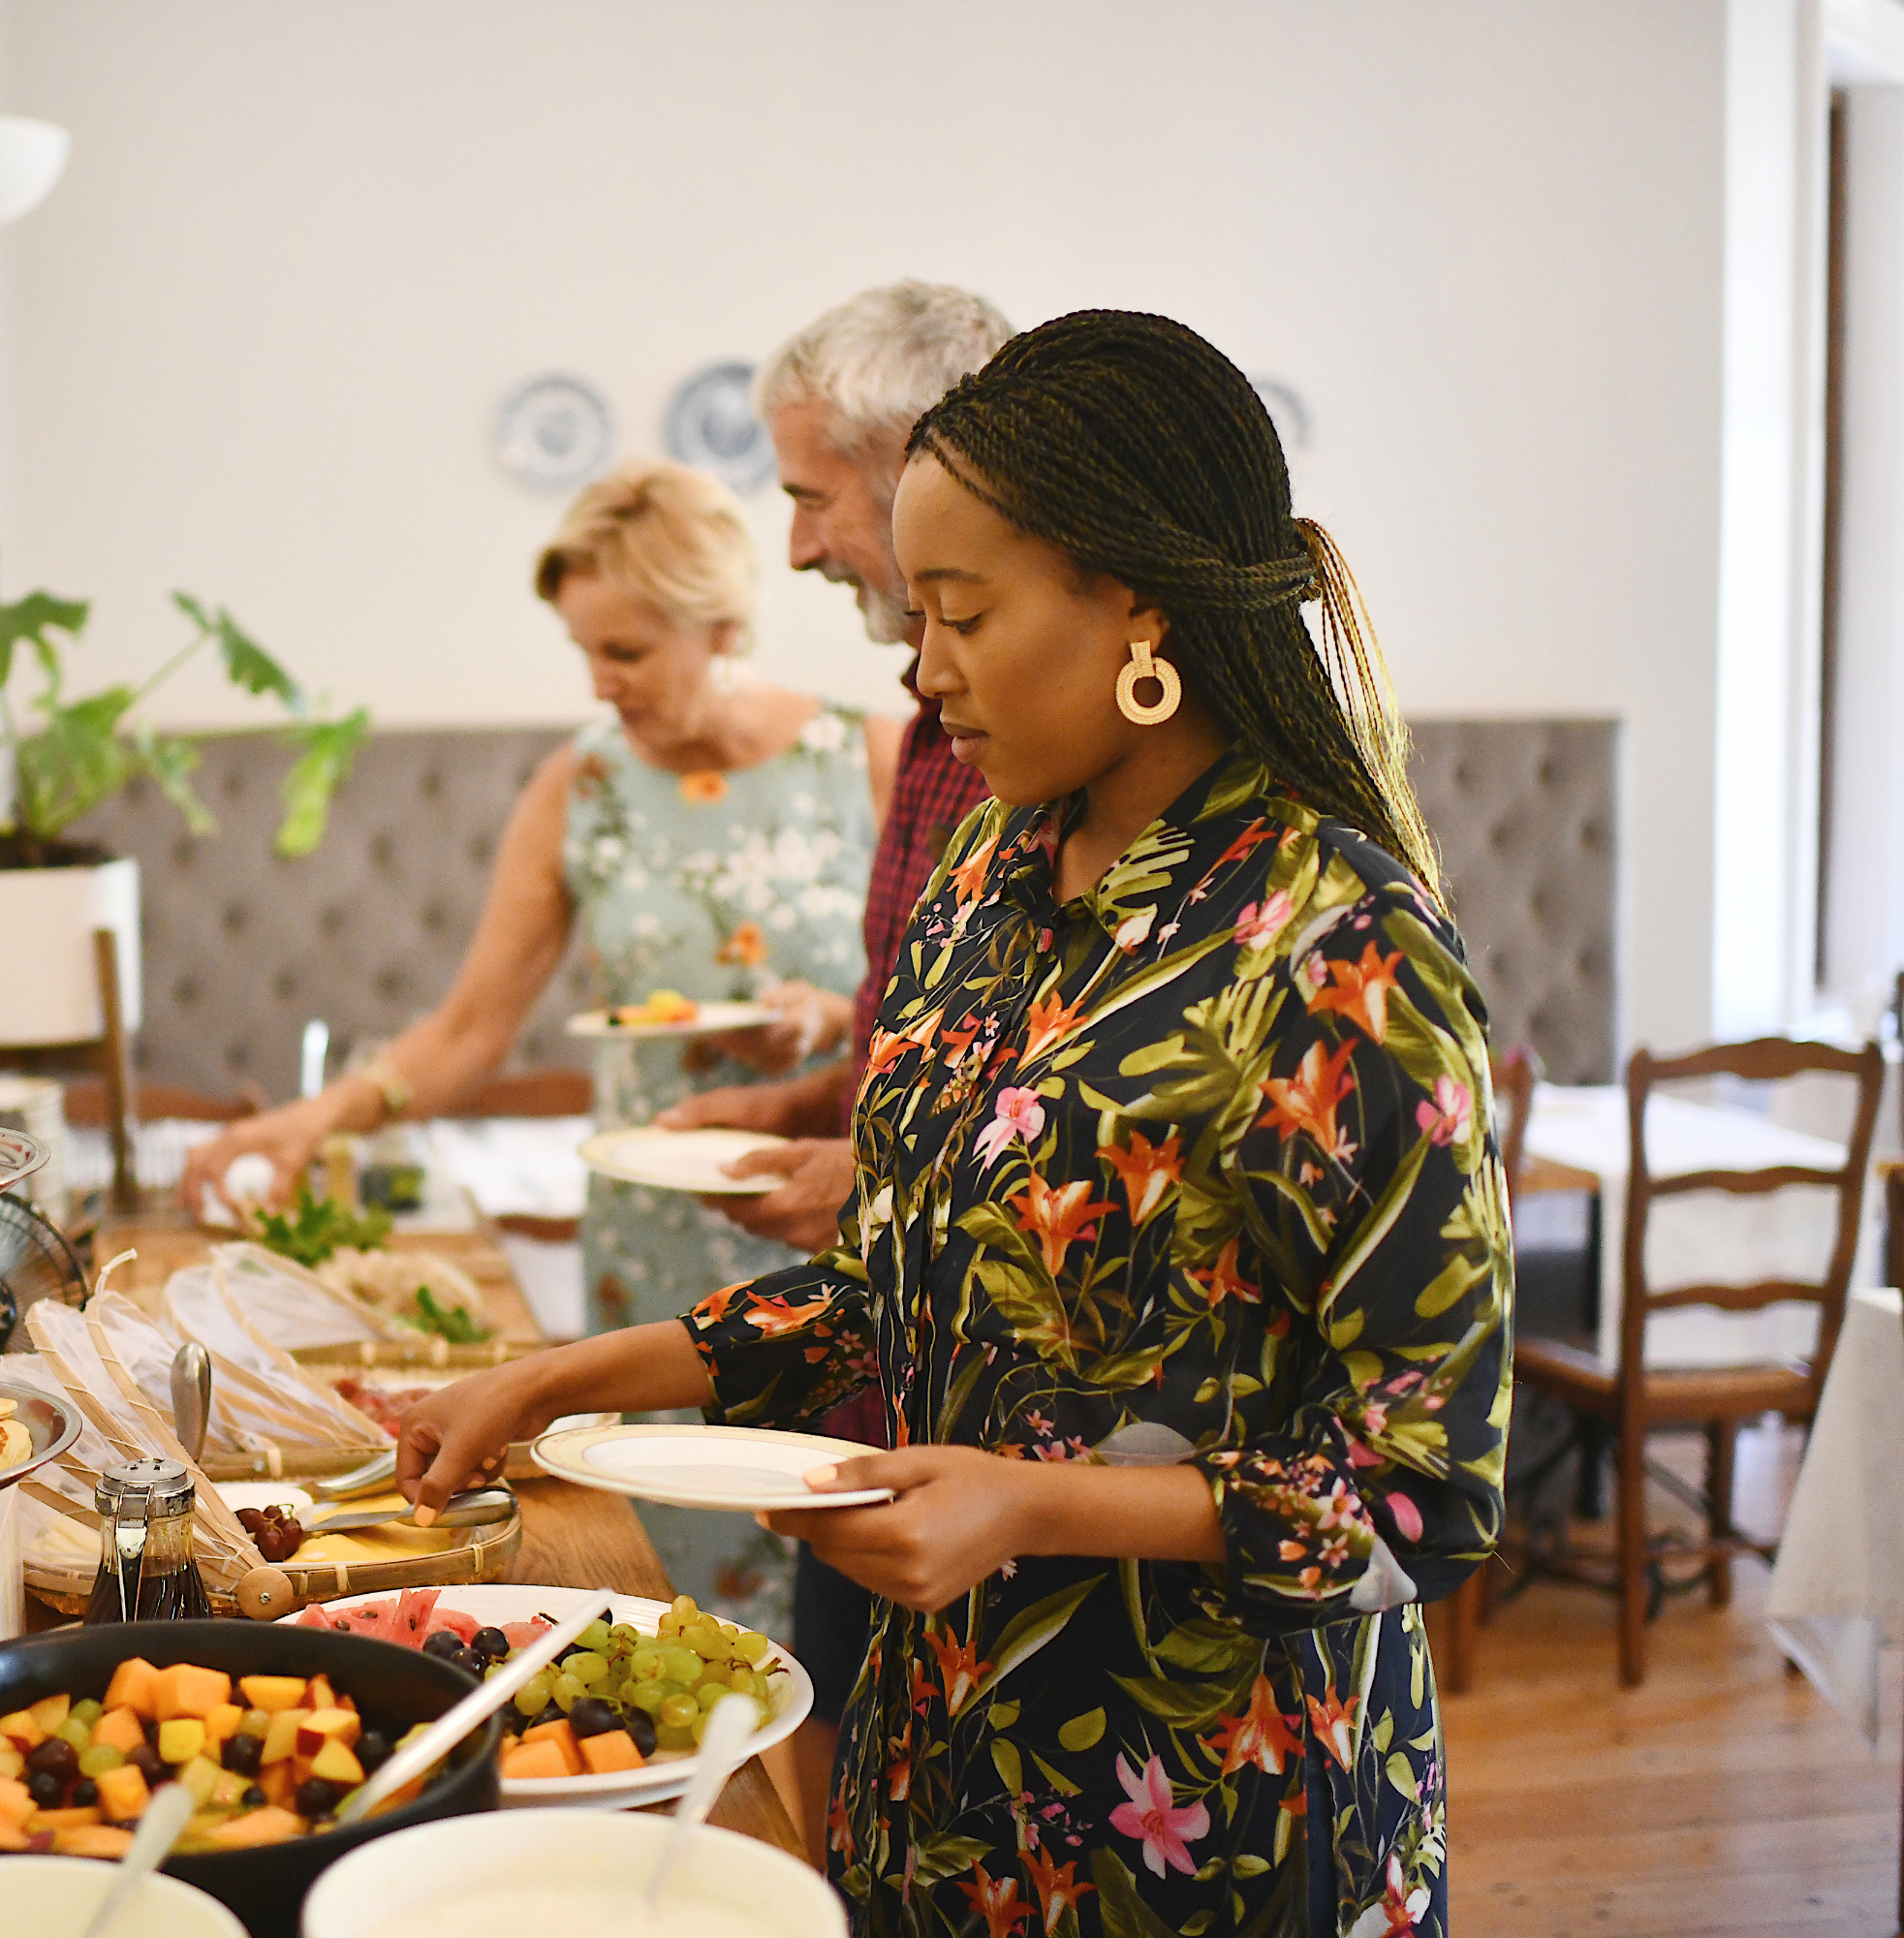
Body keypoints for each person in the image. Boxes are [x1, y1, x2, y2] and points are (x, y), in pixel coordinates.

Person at [394, 311, 1511, 1938]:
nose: (925, 669)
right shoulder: (993, 872)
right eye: (917, 616)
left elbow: (1429, 1494)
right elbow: (905, 1278)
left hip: (1210, 1813)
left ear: (1136, 604)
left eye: (965, 615)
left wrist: (1035, 1502)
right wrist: (570, 1376)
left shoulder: (1333, 946)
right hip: (944, 1769)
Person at [175, 456, 899, 1632]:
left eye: (628, 650)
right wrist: (313, 1116)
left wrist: (833, 1015)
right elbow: (470, 1031)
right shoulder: (584, 784)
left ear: (719, 620)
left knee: (828, 1585)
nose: (602, 683)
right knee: (663, 1576)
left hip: (835, 1218)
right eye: (584, 652)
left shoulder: (871, 755)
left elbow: (933, 1002)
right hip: (650, 1241)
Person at [654, 280, 1010, 1856]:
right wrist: (820, 1109)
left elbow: (1034, 1113)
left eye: (807, 493)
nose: (791, 543)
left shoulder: (1036, 746)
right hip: (870, 1377)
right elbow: (923, 1039)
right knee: (854, 1824)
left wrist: (874, 1164)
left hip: (981, 1451)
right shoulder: (945, 717)